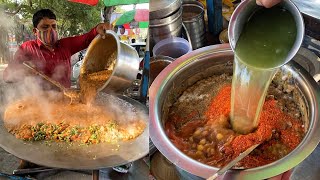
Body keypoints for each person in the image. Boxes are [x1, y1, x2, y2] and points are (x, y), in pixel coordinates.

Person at [3, 9, 112, 88]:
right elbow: (7, 76)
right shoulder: (27, 48)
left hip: (66, 99)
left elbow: (87, 38)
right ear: (35, 31)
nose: (51, 30)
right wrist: (23, 71)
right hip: (39, 105)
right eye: (45, 27)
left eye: (53, 26)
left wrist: (98, 28)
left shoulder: (66, 44)